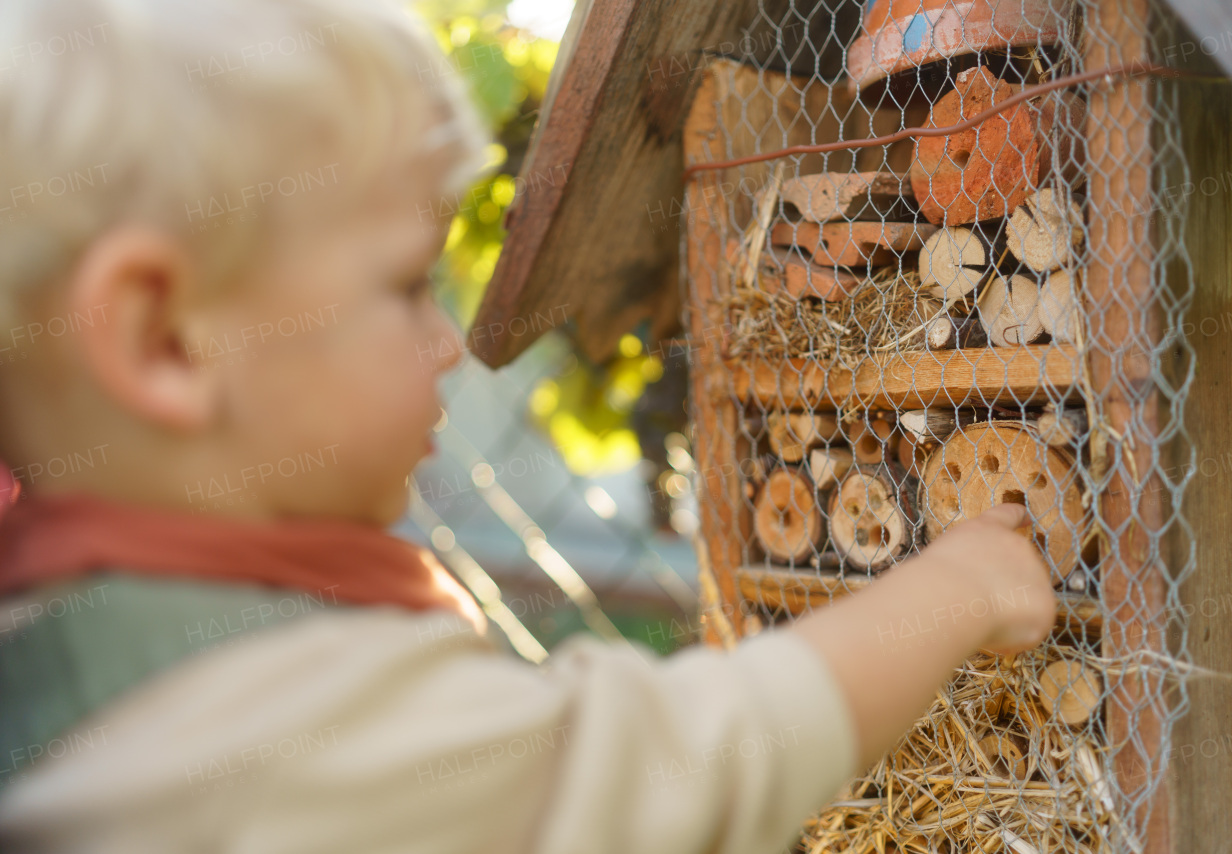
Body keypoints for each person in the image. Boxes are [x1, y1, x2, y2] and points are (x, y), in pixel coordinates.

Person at [0, 1, 1057, 850]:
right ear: (162, 341)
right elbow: (692, 758)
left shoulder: (72, 656)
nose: (447, 341)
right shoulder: (271, 732)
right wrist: (954, 586)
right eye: (405, 284)